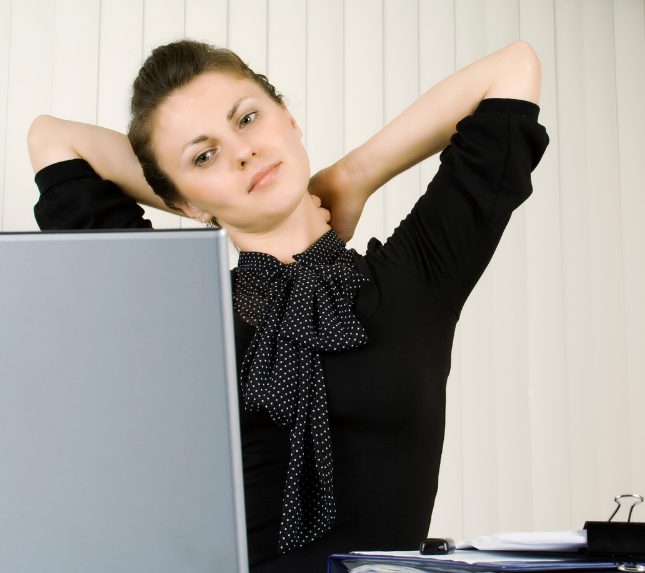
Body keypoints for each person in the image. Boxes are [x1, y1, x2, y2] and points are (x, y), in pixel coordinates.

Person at [28, 38, 548, 572]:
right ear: (181, 201)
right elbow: (53, 139)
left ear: (290, 120)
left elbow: (512, 71)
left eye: (248, 119)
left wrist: (352, 174)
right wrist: (209, 201)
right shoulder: (180, 314)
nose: (242, 152)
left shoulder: (417, 277)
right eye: (204, 155)